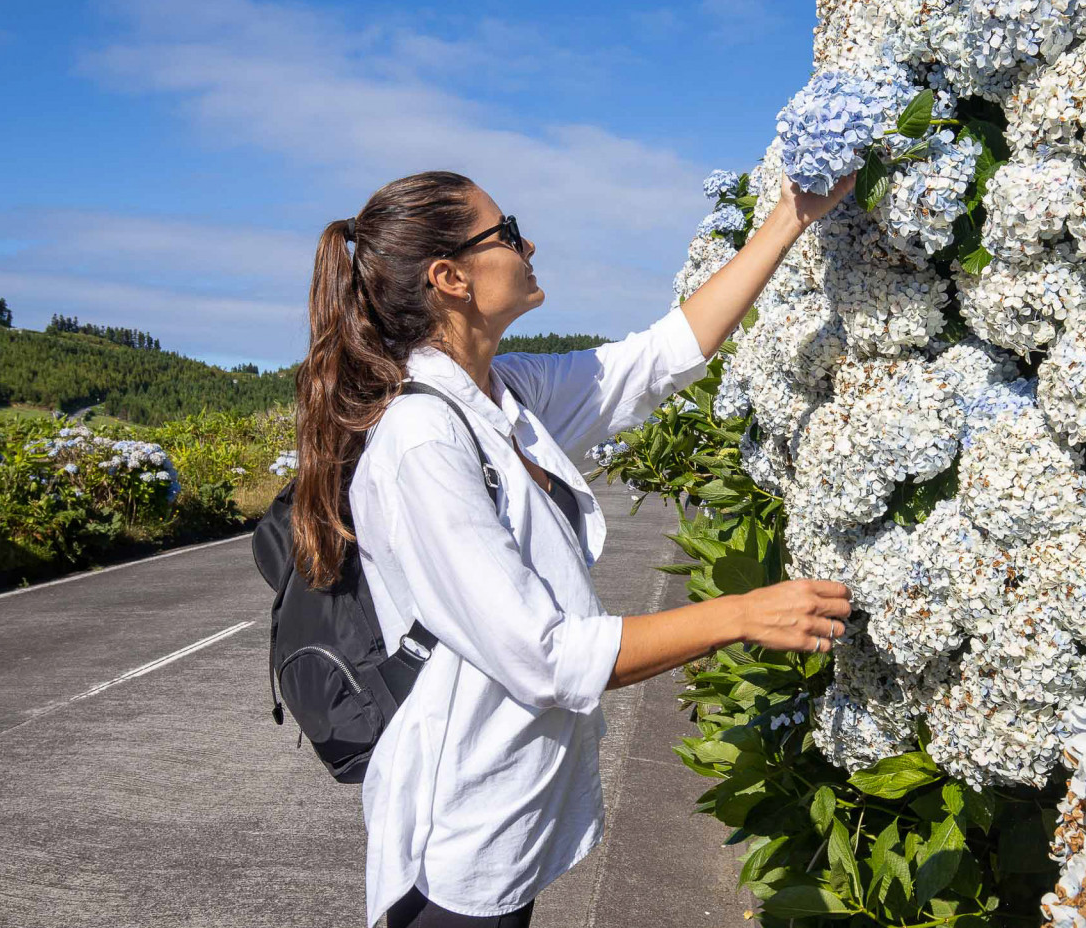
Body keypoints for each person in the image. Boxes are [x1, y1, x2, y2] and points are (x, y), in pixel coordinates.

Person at [293, 169, 858, 928]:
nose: (529, 244)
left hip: (513, 812)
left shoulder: (504, 390)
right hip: (460, 841)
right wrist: (743, 615)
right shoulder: (421, 443)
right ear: (450, 277)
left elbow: (658, 358)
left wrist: (791, 218)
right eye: (506, 232)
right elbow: (547, 656)